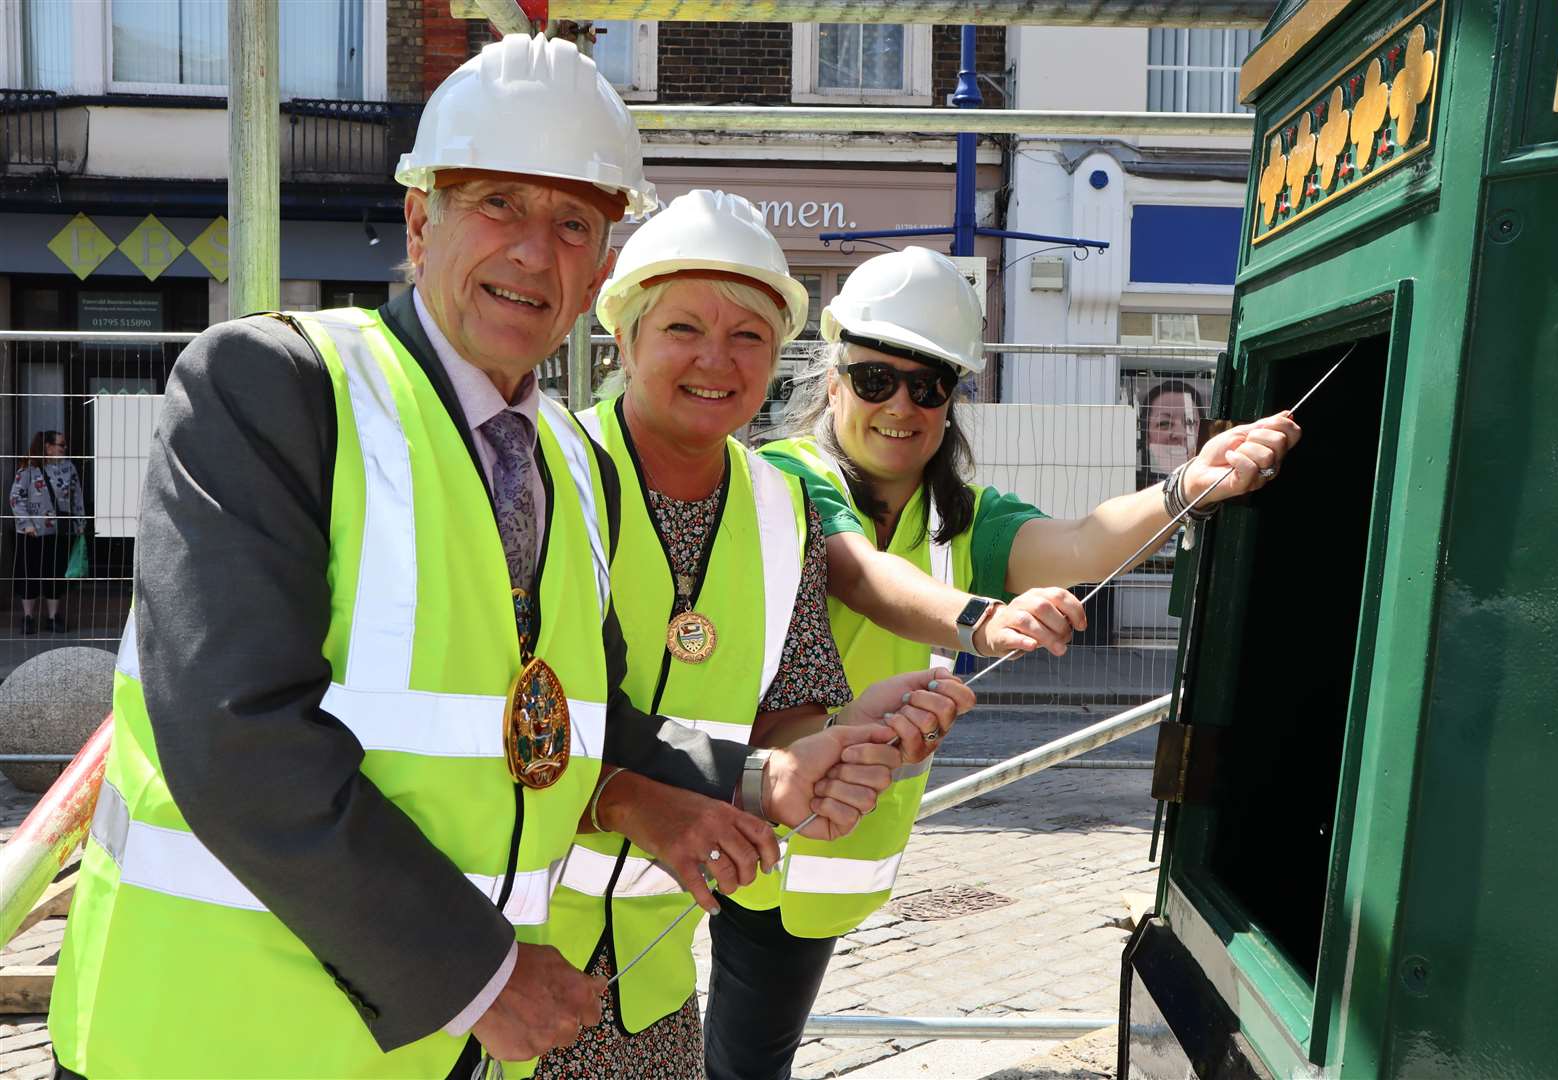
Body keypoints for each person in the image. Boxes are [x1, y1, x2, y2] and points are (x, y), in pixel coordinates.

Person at [46, 37, 907, 1080]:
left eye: (574, 223)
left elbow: (576, 717)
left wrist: (748, 778)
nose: (534, 254)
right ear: (421, 220)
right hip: (213, 1040)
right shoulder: (275, 384)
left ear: (598, 271)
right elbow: (236, 736)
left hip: (433, 1056)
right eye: (499, 203)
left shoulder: (561, 463)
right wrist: (483, 975)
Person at [705, 246, 1302, 1079]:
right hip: (753, 811)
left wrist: (1186, 486)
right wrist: (985, 621)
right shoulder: (785, 476)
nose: (901, 406)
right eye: (876, 380)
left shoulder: (960, 515)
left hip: (841, 837)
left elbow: (1081, 541)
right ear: (833, 381)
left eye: (929, 385)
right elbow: (862, 574)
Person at [536, 190, 974, 1078]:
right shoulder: (539, 477)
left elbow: (789, 712)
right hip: (509, 956)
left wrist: (838, 741)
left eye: (748, 337)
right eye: (684, 329)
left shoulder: (781, 508)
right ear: (623, 336)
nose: (716, 360)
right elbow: (505, 716)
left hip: (650, 985)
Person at [9, 429, 84, 634]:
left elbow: (76, 496)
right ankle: (28, 617)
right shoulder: (28, 469)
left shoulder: (69, 468)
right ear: (48, 447)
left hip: (59, 531)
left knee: (55, 574)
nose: (64, 448)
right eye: (61, 445)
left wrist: (79, 521)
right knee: (29, 574)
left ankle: (53, 617)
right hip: (31, 533)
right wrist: (26, 524)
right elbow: (16, 498)